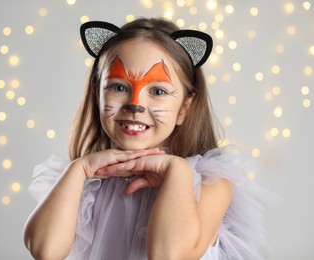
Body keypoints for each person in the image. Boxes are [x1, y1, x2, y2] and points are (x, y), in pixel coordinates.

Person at [24, 18, 270, 259]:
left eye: (158, 91)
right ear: (97, 93)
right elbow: (45, 251)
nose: (135, 105)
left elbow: (168, 254)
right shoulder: (84, 182)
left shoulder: (210, 185)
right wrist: (79, 169)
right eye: (119, 87)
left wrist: (177, 170)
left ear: (184, 108)